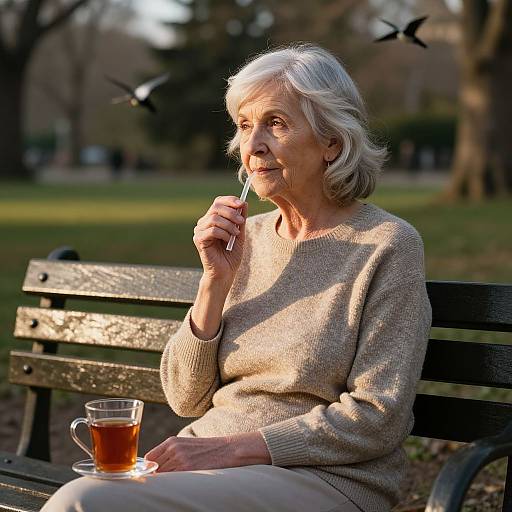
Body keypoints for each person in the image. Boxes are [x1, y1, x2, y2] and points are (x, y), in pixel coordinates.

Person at [42, 43, 432, 512]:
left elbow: (377, 418)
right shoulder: (243, 240)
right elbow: (185, 398)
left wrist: (231, 448)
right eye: (245, 126)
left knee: (84, 502)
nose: (253, 145)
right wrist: (214, 283)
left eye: (277, 123)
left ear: (332, 141)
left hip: (323, 478)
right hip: (212, 468)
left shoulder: (388, 245)